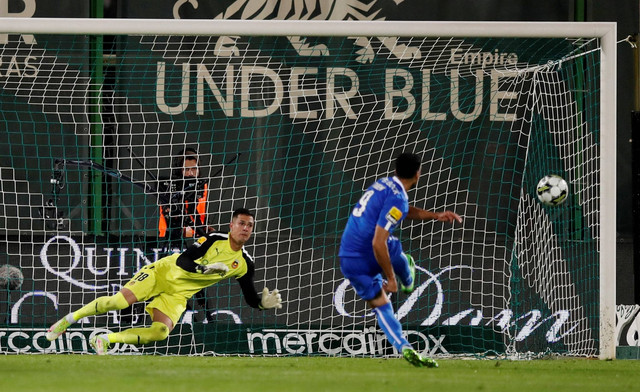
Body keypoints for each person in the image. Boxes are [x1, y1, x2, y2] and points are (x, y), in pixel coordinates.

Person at [45, 208, 282, 355]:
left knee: (160, 332)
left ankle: (105, 339)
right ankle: (68, 320)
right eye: (241, 223)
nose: (245, 228)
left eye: (249, 225)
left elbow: (249, 296)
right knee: (117, 302)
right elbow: (185, 261)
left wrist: (262, 303)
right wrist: (206, 268)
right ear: (231, 225)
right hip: (162, 273)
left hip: (177, 295)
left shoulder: (245, 263)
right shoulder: (214, 239)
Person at [339, 152, 462, 368]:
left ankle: (404, 347)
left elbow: (402, 211)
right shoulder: (399, 198)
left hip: (348, 258)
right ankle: (407, 278)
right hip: (370, 252)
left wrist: (435, 215)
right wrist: (391, 278)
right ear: (418, 174)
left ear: (395, 171)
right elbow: (378, 242)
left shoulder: (382, 184)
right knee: (391, 244)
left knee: (380, 305)